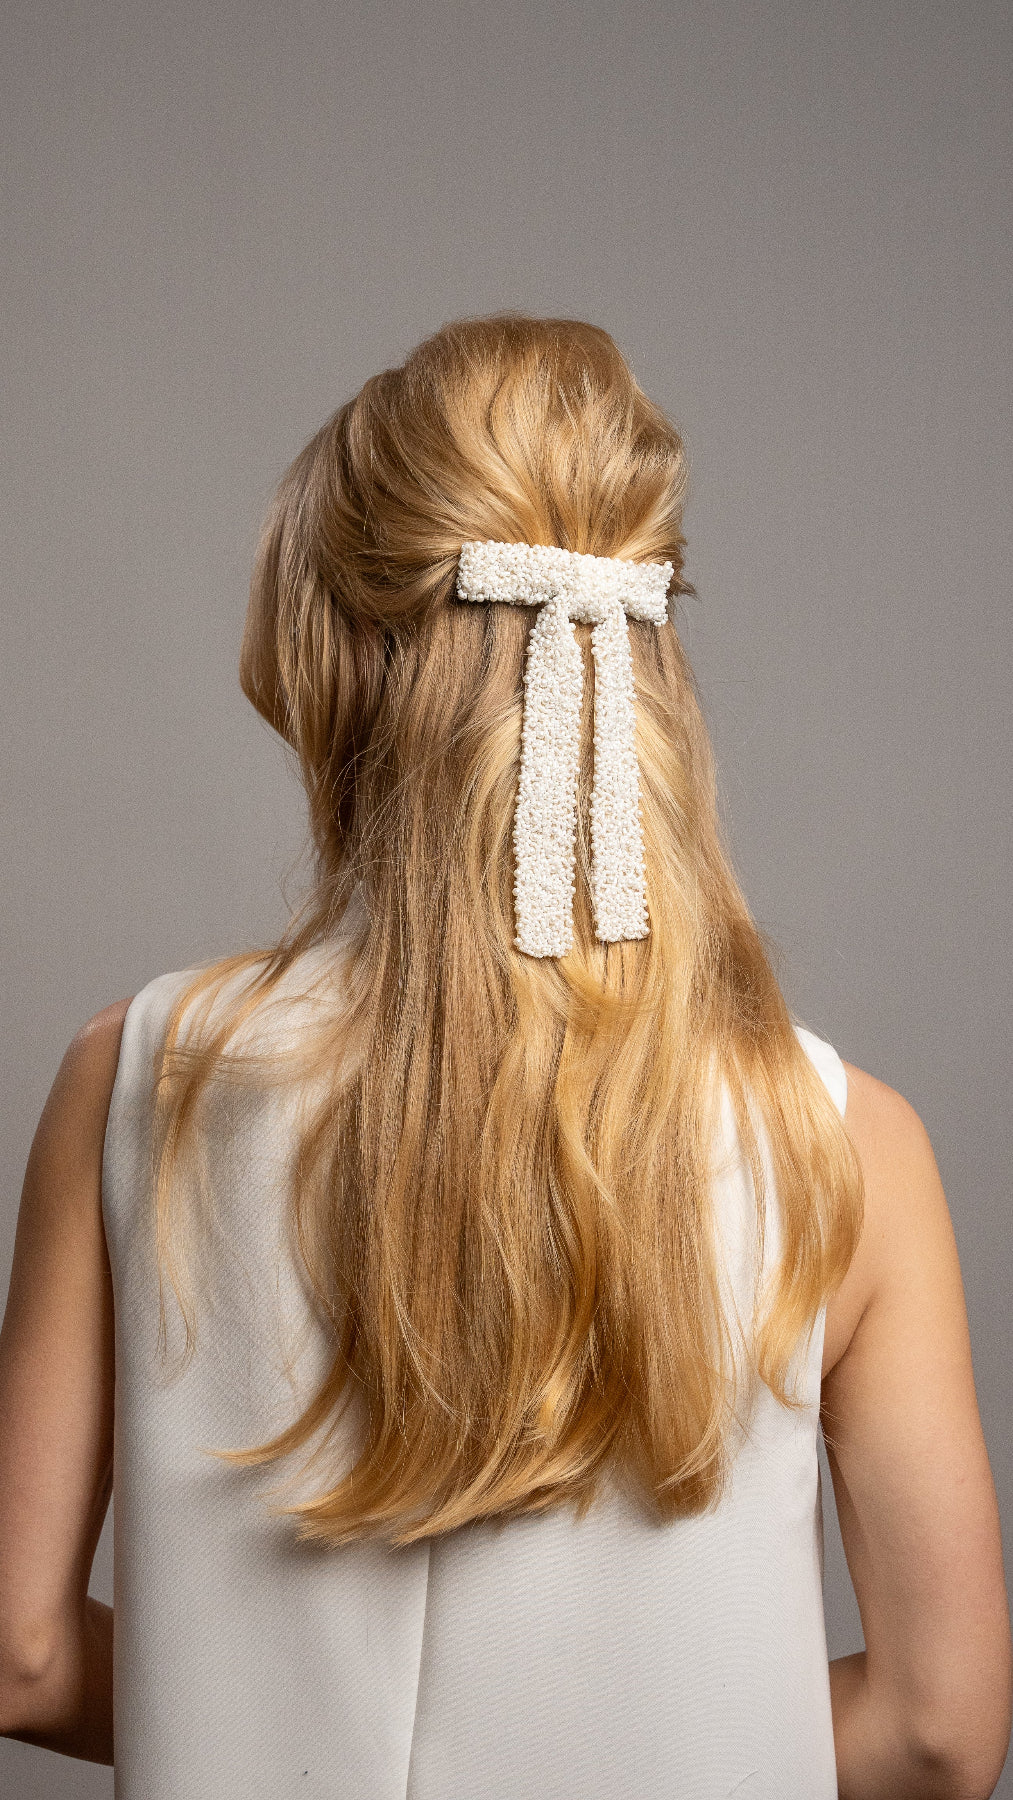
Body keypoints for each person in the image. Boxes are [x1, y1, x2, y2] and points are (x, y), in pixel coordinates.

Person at [0, 313, 1009, 1799]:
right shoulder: (844, 1140)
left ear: (337, 659)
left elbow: (19, 1654)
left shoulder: (140, 1076)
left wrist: (231, 1705)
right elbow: (939, 1732)